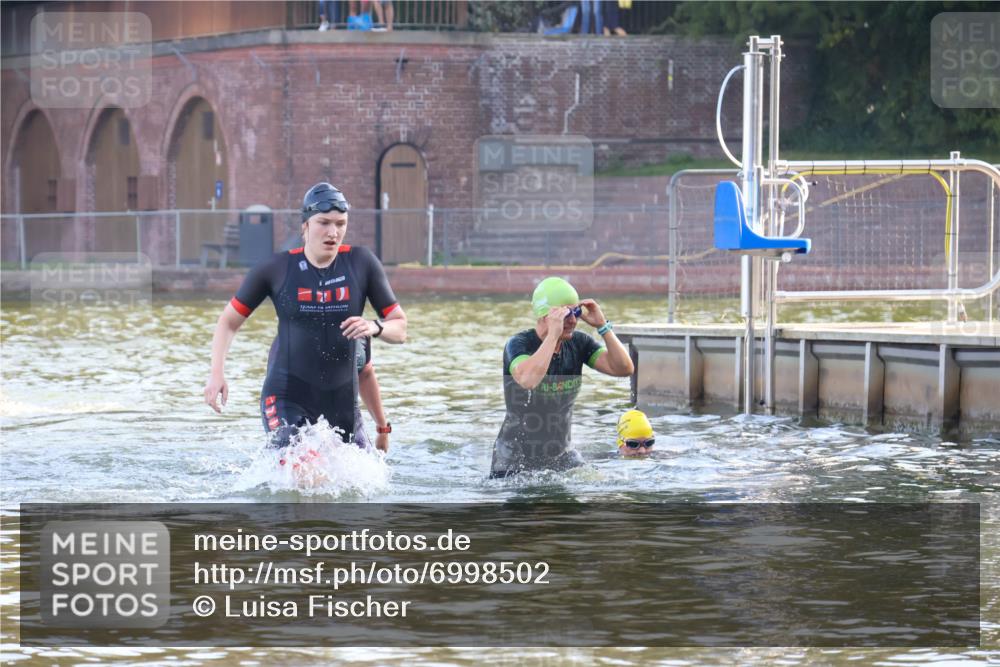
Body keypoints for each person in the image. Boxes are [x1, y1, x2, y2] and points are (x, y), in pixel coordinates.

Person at [204, 182, 406, 452]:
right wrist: (216, 374)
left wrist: (375, 326)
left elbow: (398, 329)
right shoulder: (276, 269)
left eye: (340, 223)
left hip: (342, 404)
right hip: (287, 396)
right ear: (305, 225)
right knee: (306, 465)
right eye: (324, 222)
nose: (333, 232)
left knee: (361, 482)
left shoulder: (361, 264)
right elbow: (228, 322)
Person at [490, 277, 635, 477]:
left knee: (598, 482)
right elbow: (528, 380)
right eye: (566, 314)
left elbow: (624, 368)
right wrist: (552, 336)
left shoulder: (579, 344)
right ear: (545, 315)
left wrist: (603, 326)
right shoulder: (518, 344)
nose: (574, 321)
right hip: (514, 458)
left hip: (561, 454)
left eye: (576, 312)